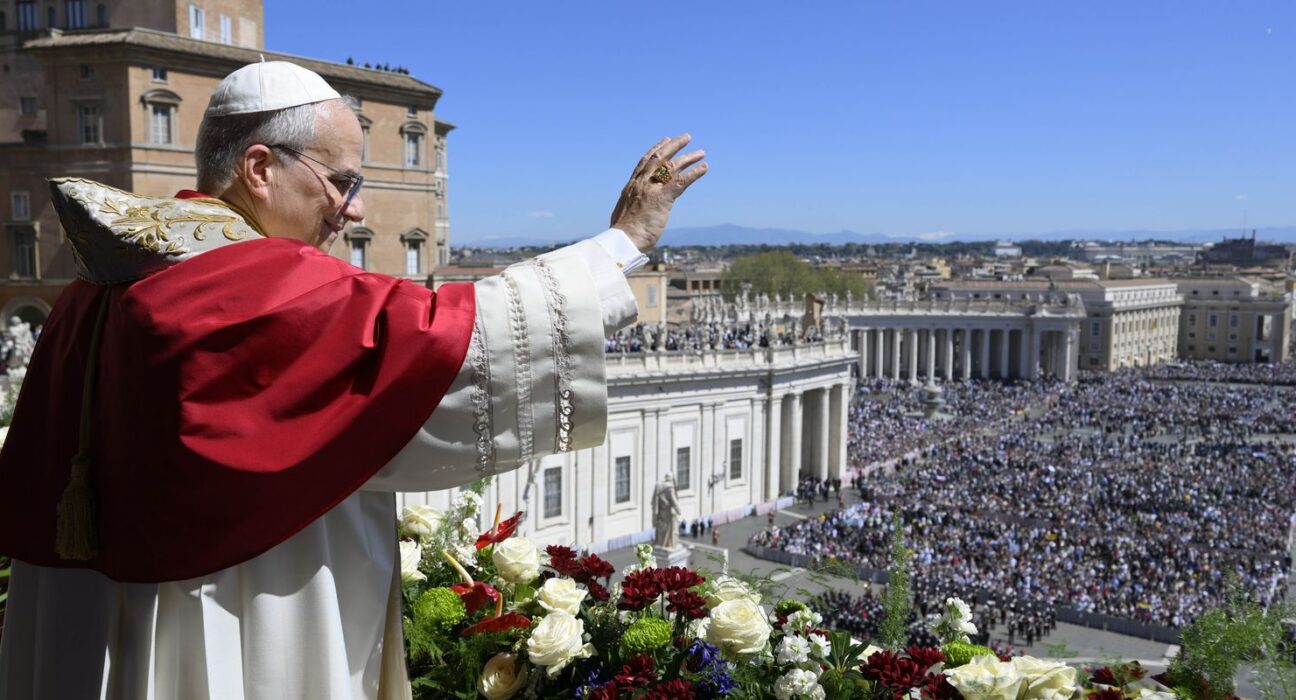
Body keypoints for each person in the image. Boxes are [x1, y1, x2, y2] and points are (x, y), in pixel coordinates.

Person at [0, 61, 706, 699]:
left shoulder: (102, 282)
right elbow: (454, 338)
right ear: (258, 168)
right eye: (342, 182)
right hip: (234, 616)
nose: (358, 208)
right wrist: (626, 242)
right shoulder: (247, 282)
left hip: (101, 625)